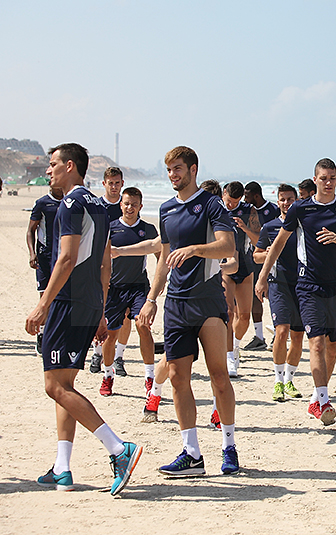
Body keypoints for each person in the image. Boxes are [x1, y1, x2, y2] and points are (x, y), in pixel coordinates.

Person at [24, 143, 142, 495]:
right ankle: (62, 468)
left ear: (70, 166)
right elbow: (106, 264)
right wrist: (103, 311)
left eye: (53, 164)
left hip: (67, 300)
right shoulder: (100, 206)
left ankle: (120, 449)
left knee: (54, 386)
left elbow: (66, 258)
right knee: (66, 386)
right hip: (89, 301)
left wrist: (43, 304)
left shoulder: (71, 203)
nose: (49, 171)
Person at [137, 146, 239, 475]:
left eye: (178, 168)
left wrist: (195, 249)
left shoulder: (211, 205)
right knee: (179, 377)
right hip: (176, 305)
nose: (173, 175)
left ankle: (229, 446)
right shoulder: (166, 210)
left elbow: (227, 247)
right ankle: (191, 453)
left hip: (208, 303)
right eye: (169, 170)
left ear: (193, 169)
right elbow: (164, 261)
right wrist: (152, 299)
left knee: (219, 377)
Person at [255, 158, 336, 425]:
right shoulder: (300, 209)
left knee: (332, 347)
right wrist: (262, 277)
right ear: (315, 180)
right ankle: (324, 400)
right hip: (307, 285)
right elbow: (279, 245)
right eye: (324, 178)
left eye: (333, 178)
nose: (329, 183)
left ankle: (315, 399)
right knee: (315, 343)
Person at [98, 187, 159, 397]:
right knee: (111, 335)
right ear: (120, 205)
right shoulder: (110, 228)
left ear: (141, 206)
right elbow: (101, 260)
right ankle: (108, 375)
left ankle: (150, 378)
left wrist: (160, 284)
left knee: (143, 326)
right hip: (114, 288)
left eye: (134, 204)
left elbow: (160, 255)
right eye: (126, 203)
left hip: (138, 287)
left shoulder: (148, 230)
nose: (130, 207)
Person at [253, 184, 305, 402]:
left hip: (302, 285)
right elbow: (256, 256)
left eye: (290, 199)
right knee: (281, 331)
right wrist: (269, 254)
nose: (286, 203)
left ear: (296, 200)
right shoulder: (270, 227)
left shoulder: (303, 226)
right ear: (277, 202)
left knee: (297, 336)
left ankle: (289, 380)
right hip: (278, 285)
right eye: (283, 199)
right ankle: (277, 381)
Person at [91, 167, 132, 377]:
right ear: (104, 184)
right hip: (99, 266)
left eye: (117, 183)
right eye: (110, 183)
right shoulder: (97, 207)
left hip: (123, 270)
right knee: (101, 310)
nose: (114, 187)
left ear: (122, 183)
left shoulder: (127, 206)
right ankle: (98, 352)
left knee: (125, 316)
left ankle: (119, 357)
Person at [220, 181, 260, 377]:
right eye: (229, 201)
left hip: (245, 266)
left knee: (244, 316)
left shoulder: (248, 210)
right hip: (225, 266)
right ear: (224, 193)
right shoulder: (217, 208)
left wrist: (245, 228)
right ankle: (228, 356)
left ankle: (235, 347)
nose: (231, 205)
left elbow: (259, 240)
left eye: (235, 202)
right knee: (228, 312)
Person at [242, 182, 280, 351]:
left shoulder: (273, 210)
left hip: (271, 259)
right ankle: (259, 336)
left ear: (256, 195)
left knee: (273, 296)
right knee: (254, 297)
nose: (245, 199)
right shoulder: (246, 210)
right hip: (254, 258)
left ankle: (277, 335)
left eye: (247, 196)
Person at [27, 184, 64, 354]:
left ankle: (57, 335)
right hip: (44, 257)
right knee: (45, 297)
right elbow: (30, 230)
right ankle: (41, 336)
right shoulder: (42, 203)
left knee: (62, 297)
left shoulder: (69, 202)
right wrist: (32, 253)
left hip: (63, 257)